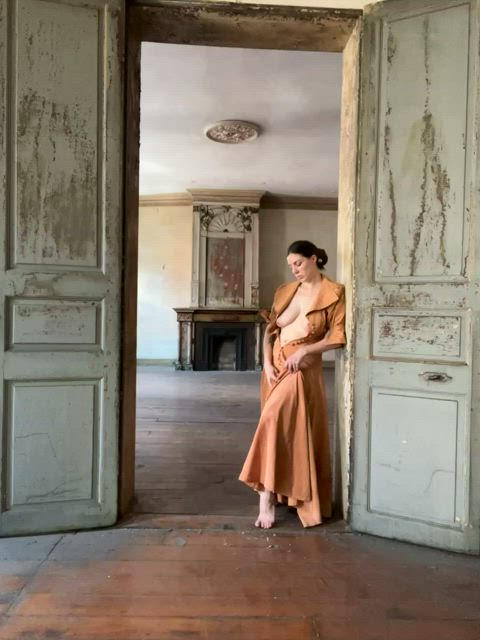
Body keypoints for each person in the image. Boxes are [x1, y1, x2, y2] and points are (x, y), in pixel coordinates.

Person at [239, 240, 346, 529]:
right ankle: (275, 491)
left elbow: (337, 337)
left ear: (314, 259)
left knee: (274, 421)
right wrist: (266, 362)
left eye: (298, 263)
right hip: (275, 367)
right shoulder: (286, 291)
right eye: (291, 266)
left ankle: (266, 498)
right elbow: (270, 329)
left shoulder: (333, 293)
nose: (295, 269)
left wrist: (305, 352)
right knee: (279, 428)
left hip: (301, 366)